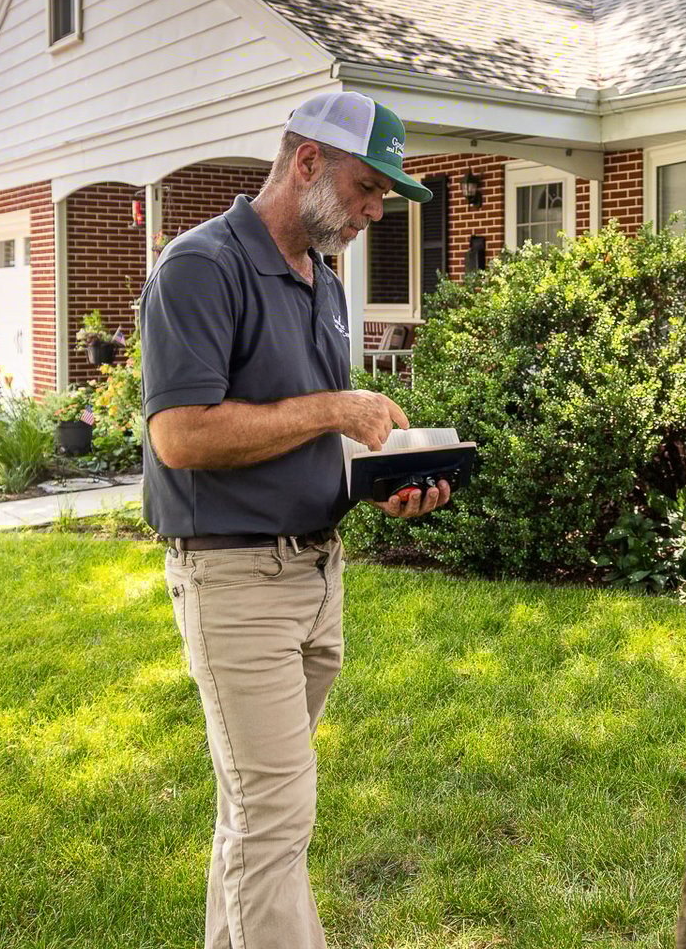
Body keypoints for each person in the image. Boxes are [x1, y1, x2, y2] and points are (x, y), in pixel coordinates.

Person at [139, 90, 452, 949]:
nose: (373, 211)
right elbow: (180, 435)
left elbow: (312, 432)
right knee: (273, 819)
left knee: (256, 812)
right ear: (307, 162)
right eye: (366, 188)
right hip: (236, 580)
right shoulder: (202, 268)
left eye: (384, 197)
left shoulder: (324, 280)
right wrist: (333, 411)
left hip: (318, 577)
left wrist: (385, 480)